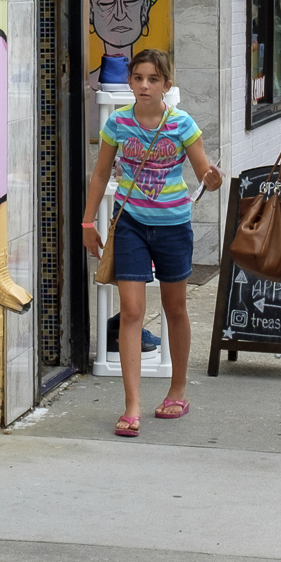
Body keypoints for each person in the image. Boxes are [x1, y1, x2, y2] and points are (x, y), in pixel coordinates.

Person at [81, 47, 222, 437]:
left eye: (153, 79)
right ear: (130, 82)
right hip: (130, 225)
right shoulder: (118, 125)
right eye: (138, 78)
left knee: (175, 309)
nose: (144, 86)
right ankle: (132, 406)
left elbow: (203, 172)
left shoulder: (181, 124)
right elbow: (99, 174)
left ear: (167, 85)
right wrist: (88, 221)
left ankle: (178, 390)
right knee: (131, 311)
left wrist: (213, 180)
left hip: (174, 225)